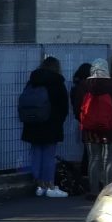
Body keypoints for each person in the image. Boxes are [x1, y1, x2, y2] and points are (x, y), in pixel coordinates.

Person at [20, 56, 70, 198]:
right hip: (51, 124)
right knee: (49, 154)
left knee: (36, 152)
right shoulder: (57, 82)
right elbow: (63, 106)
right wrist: (59, 121)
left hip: (33, 123)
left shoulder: (33, 81)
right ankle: (49, 185)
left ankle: (39, 185)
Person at [79, 58, 112, 198]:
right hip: (111, 128)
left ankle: (94, 191)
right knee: (109, 160)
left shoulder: (84, 85)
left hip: (89, 130)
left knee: (93, 158)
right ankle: (109, 192)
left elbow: (78, 108)